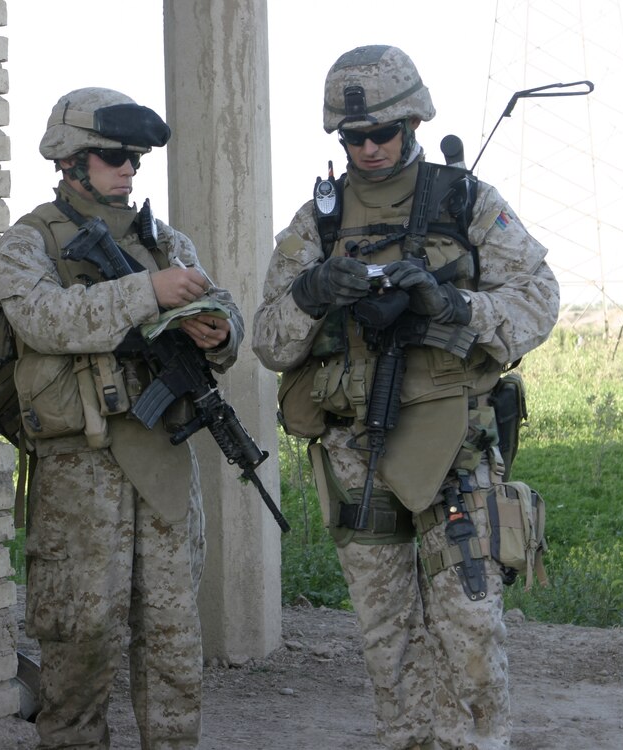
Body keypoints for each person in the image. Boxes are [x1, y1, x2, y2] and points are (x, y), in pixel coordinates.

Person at [252, 46, 559, 750]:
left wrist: (453, 306)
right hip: (354, 447)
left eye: (382, 133)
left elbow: (539, 301)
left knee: (472, 625)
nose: (368, 148)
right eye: (352, 137)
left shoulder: (466, 202)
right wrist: (310, 293)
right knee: (386, 638)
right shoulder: (317, 225)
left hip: (453, 443)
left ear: (415, 120)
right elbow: (269, 342)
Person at [0, 87, 243, 748]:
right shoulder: (29, 241)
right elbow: (44, 320)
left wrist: (220, 333)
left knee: (174, 654)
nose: (128, 168)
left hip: (161, 464)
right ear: (71, 159)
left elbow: (218, 305)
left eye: (134, 156)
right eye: (112, 155)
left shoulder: (167, 242)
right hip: (81, 475)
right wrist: (144, 291)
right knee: (77, 651)